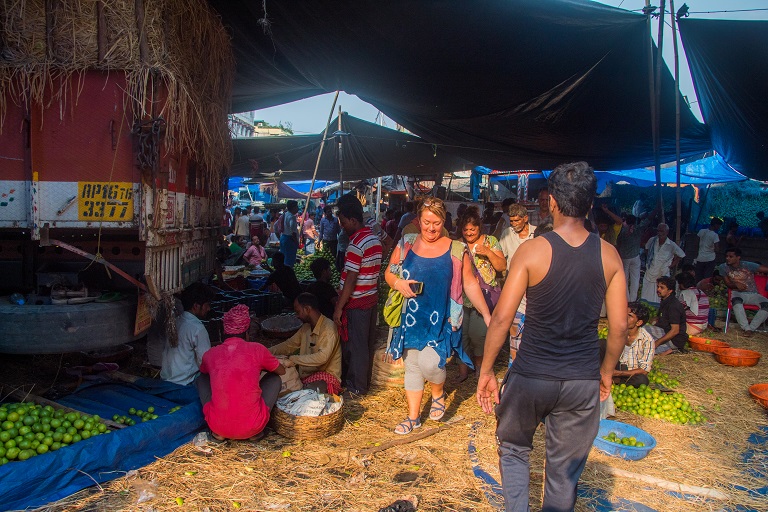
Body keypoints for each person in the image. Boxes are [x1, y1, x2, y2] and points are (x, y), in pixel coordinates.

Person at [476, 161, 627, 512]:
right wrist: (605, 372)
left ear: (552, 203)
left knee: (513, 449)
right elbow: (618, 328)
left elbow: (501, 319)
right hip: (581, 380)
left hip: (531, 376)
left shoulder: (532, 250)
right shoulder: (610, 256)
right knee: (563, 473)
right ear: (591, 205)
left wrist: (486, 372)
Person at [386, 197, 492, 435]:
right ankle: (413, 417)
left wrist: (486, 314)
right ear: (419, 220)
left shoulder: (456, 249)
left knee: (430, 363)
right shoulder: (407, 243)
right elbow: (389, 274)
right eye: (426, 222)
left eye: (436, 223)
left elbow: (470, 284)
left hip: (441, 318)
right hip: (411, 317)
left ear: (444, 221)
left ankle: (437, 392)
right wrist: (398, 283)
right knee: (412, 366)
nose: (431, 228)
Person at [197, 304, 286, 441]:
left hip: (218, 427)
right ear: (247, 333)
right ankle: (256, 433)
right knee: (274, 378)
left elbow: (203, 371)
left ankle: (219, 433)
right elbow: (281, 371)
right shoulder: (257, 349)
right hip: (252, 426)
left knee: (201, 378)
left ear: (223, 333)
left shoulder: (211, 354)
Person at [334, 193, 383, 396]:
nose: (342, 226)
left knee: (356, 347)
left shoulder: (355, 245)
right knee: (365, 345)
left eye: (344, 222)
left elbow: (351, 281)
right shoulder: (373, 238)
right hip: (370, 300)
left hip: (356, 304)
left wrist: (338, 309)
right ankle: (362, 383)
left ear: (353, 220)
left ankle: (356, 387)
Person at [456, 206, 506, 382]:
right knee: (461, 335)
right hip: (462, 297)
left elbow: (502, 266)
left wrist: (488, 253)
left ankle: (479, 367)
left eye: (473, 229)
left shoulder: (490, 241)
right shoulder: (458, 245)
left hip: (485, 296)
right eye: (466, 229)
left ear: (480, 227)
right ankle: (463, 371)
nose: (469, 233)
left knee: (478, 334)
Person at [269, 293, 343, 394]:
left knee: (307, 396)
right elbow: (289, 345)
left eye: (298, 311)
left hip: (326, 378)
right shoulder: (306, 328)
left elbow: (322, 357)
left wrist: (293, 359)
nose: (297, 316)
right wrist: (267, 352)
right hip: (306, 377)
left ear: (307, 309)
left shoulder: (328, 328)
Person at [161, 282, 216, 386]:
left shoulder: (175, 322)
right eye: (207, 305)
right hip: (185, 383)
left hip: (166, 379)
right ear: (196, 306)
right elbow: (205, 363)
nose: (209, 309)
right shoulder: (197, 328)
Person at [600, 302, 654, 387]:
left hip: (629, 372)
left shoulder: (647, 340)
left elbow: (644, 370)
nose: (624, 317)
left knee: (642, 380)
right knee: (601, 344)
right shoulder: (618, 330)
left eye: (630, 316)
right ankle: (603, 377)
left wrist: (619, 373)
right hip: (614, 365)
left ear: (638, 322)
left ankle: (616, 380)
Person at [718, 247, 768, 335]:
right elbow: (728, 284)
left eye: (731, 256)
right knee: (736, 301)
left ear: (738, 257)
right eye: (726, 256)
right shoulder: (723, 267)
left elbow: (765, 269)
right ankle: (746, 328)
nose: (727, 258)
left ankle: (751, 329)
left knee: (766, 305)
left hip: (753, 294)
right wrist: (736, 285)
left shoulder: (747, 265)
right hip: (737, 293)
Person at [602, 207, 645, 301]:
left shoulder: (623, 231)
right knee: (635, 279)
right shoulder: (638, 230)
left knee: (624, 279)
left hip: (624, 258)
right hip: (635, 257)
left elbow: (618, 244)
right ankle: (633, 299)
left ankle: (626, 299)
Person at [640, 223, 685, 303]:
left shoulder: (671, 245)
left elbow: (681, 255)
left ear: (667, 232)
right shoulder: (652, 240)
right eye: (658, 231)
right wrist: (650, 258)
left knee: (660, 294)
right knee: (646, 294)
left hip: (662, 273)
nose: (659, 233)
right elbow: (647, 249)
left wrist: (672, 265)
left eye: (662, 231)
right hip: (650, 271)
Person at [649, 276, 689, 355]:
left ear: (670, 291)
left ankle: (669, 348)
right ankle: (666, 349)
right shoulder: (665, 301)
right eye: (658, 287)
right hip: (665, 331)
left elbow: (675, 331)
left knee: (643, 332)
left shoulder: (673, 306)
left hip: (675, 339)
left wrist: (657, 342)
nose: (658, 289)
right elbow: (658, 318)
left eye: (662, 288)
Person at [695, 217, 723, 281]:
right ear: (715, 225)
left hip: (700, 258)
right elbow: (717, 249)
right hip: (710, 259)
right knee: (707, 277)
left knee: (698, 277)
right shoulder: (715, 235)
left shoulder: (701, 231)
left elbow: (696, 242)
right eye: (719, 225)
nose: (719, 227)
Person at [279, 200, 300, 266]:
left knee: (283, 258)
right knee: (289, 260)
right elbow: (293, 232)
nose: (297, 208)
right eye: (296, 207)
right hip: (289, 240)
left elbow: (277, 226)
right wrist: (296, 242)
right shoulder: (292, 217)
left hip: (283, 238)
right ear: (293, 208)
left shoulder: (285, 214)